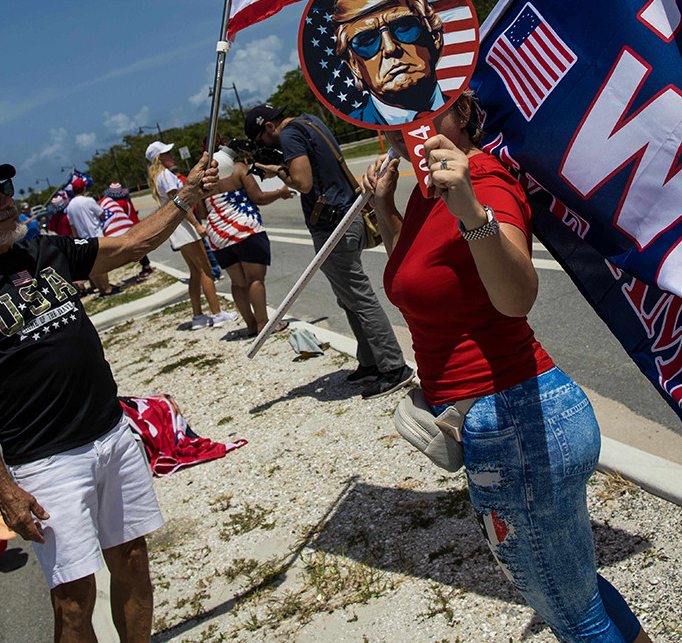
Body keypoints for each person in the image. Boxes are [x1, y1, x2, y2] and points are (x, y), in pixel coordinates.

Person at [361, 92, 651, 643]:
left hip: (514, 423)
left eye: (421, 106)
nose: (402, 124)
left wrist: (471, 210)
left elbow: (518, 296)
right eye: (390, 114)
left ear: (465, 112)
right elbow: (420, 276)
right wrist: (384, 206)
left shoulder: (482, 182)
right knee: (575, 589)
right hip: (509, 420)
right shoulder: (429, 186)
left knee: (574, 616)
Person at [0, 156, 220, 642]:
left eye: (3, 190)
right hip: (46, 464)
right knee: (74, 597)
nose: (6, 201)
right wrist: (3, 489)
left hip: (111, 435)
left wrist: (186, 196)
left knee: (132, 561)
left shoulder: (46, 249)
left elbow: (131, 244)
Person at [246, 104, 412, 398]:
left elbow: (303, 182)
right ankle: (371, 361)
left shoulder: (288, 136)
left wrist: (278, 170)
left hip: (333, 225)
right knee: (348, 297)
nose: (264, 146)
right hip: (346, 216)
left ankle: (393, 367)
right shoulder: (308, 121)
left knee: (359, 297)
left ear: (269, 127)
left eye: (261, 140)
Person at [332, 0, 447, 125]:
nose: (390, 48)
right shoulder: (360, 122)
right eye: (366, 40)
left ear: (435, 37)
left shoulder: (471, 109)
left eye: (404, 27)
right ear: (354, 65)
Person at [204, 145, 294, 339]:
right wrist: (280, 193)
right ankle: (264, 324)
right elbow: (258, 197)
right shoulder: (238, 169)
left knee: (237, 283)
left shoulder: (205, 176)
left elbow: (202, 212)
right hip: (246, 229)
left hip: (218, 236)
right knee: (255, 280)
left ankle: (251, 325)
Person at [146, 141, 236, 330]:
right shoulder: (166, 176)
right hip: (184, 225)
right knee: (206, 270)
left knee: (195, 272)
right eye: (166, 153)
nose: (171, 155)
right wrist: (196, 224)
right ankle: (217, 314)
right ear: (158, 158)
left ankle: (198, 315)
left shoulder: (159, 177)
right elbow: (178, 201)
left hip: (177, 226)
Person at [65, 177, 117, 296]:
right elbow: (102, 214)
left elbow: (72, 225)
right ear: (83, 189)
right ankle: (107, 288)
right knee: (102, 263)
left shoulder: (70, 206)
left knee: (92, 267)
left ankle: (101, 289)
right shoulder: (88, 200)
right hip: (96, 235)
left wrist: (75, 239)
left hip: (83, 239)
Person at [98, 183, 154, 279]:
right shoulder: (127, 199)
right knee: (138, 247)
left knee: (136, 248)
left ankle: (146, 266)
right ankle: (146, 265)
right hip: (135, 222)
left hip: (130, 225)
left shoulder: (118, 203)